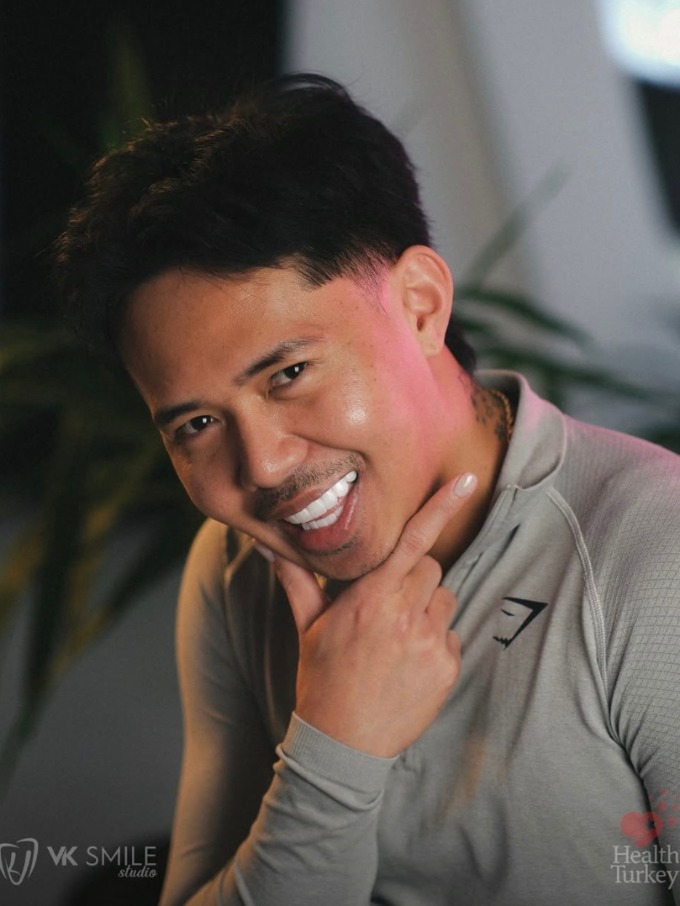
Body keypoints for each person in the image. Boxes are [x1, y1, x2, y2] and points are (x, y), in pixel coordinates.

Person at [54, 74, 680, 906]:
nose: (263, 466)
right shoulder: (234, 570)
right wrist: (335, 744)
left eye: (289, 374)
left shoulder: (651, 551)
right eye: (197, 424)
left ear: (420, 305)